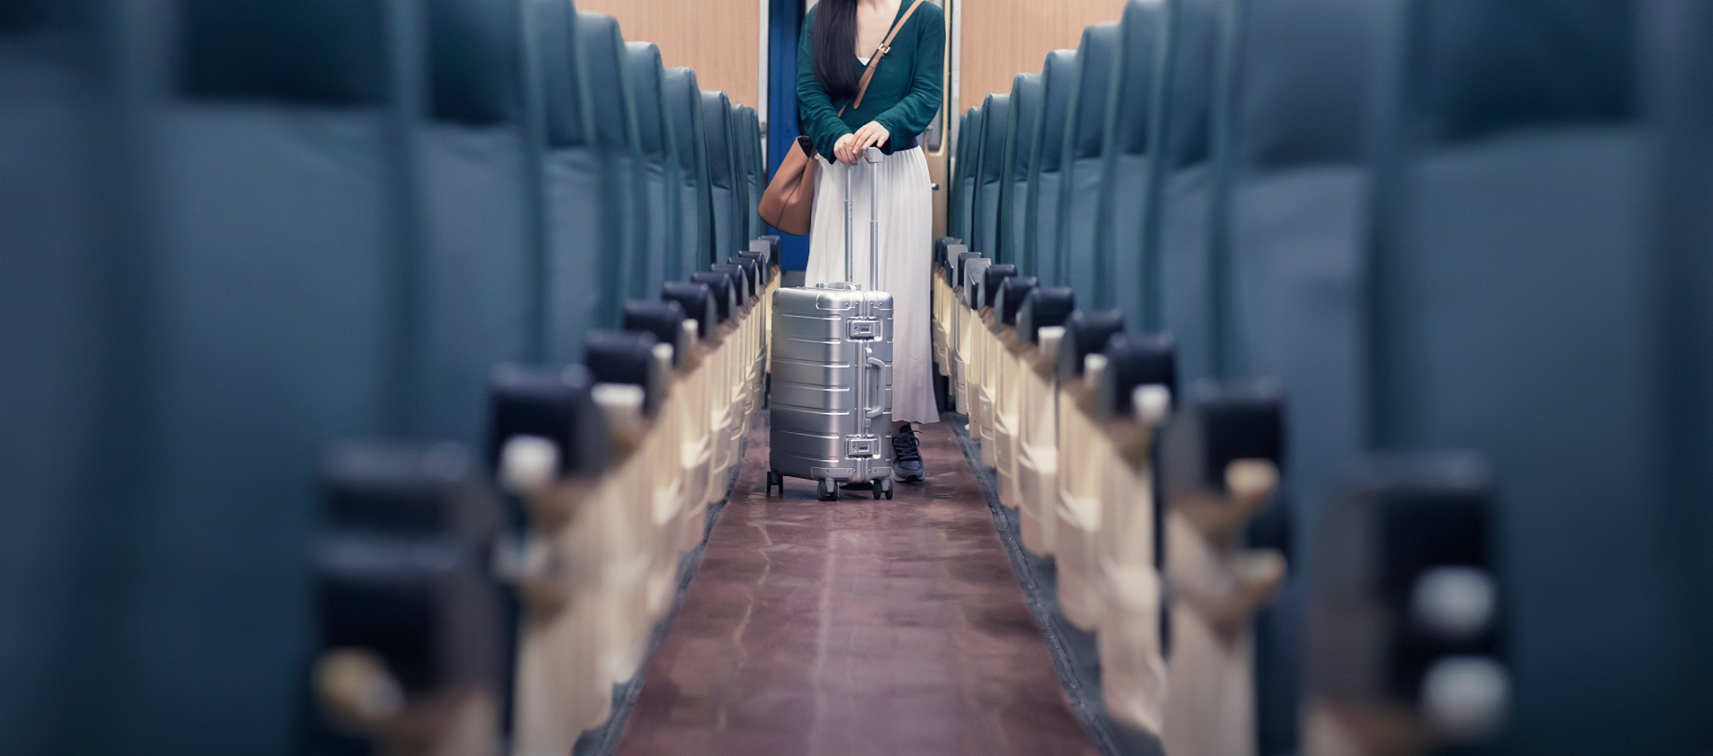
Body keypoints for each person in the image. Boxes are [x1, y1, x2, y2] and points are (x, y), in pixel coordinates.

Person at [797, 0, 944, 483]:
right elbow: (809, 93)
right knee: (836, 292)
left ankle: (899, 427)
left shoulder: (925, 15)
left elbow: (927, 93)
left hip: (898, 172)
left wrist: (888, 124)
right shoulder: (822, 15)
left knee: (897, 299)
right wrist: (837, 136)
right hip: (842, 171)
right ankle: (835, 425)